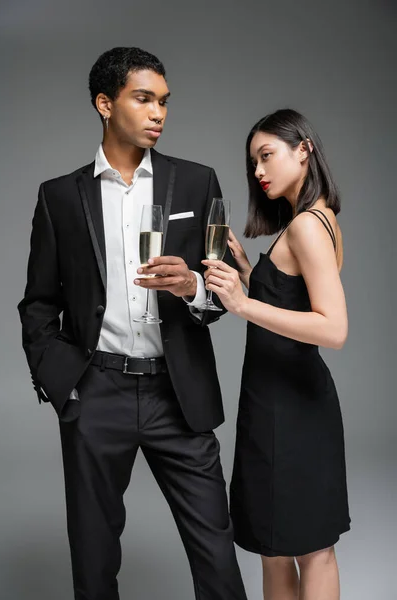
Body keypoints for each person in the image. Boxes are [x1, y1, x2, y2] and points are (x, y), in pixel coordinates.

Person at [17, 46, 247, 600]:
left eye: (164, 102)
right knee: (94, 559)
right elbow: (39, 304)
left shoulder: (197, 182)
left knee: (217, 553)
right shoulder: (59, 198)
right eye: (143, 99)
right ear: (104, 103)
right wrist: (63, 385)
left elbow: (221, 292)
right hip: (96, 392)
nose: (158, 113)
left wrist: (192, 285)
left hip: (179, 392)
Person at [202, 109, 350, 600]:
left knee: (307, 548)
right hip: (276, 401)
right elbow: (292, 304)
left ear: (303, 149)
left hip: (292, 407)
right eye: (253, 163)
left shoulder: (308, 225)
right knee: (277, 544)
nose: (259, 171)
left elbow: (332, 328)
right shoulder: (316, 219)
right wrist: (249, 272)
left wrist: (243, 304)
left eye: (267, 156)